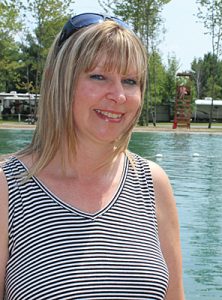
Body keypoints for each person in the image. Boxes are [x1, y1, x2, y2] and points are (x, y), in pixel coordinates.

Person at [0, 13, 184, 299]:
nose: (118, 95)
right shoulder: (7, 188)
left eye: (130, 80)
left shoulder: (152, 183)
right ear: (58, 81)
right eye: (98, 76)